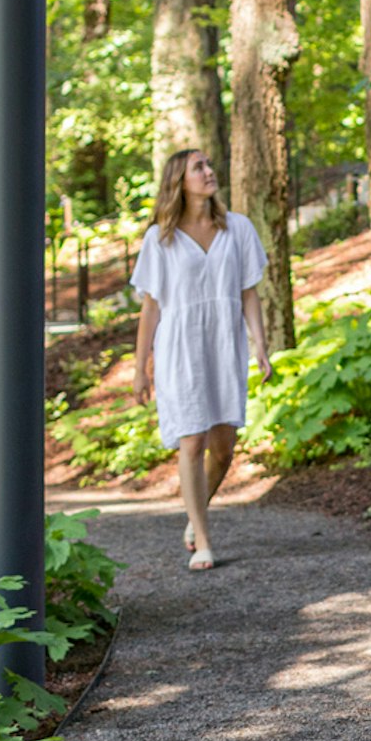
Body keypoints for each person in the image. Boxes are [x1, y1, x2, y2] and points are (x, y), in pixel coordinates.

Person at [131, 148, 273, 569]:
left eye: (210, 165)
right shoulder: (160, 238)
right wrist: (140, 368)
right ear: (180, 181)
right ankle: (205, 540)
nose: (210, 172)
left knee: (224, 447)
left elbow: (249, 292)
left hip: (224, 344)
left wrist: (260, 345)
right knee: (192, 439)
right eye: (199, 168)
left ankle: (197, 513)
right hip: (179, 347)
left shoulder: (238, 228)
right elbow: (151, 307)